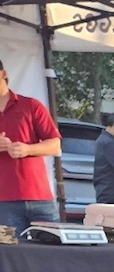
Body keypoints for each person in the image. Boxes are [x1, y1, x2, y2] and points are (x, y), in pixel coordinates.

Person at [0, 59, 61, 231]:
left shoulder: (31, 106)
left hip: (40, 196)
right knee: (9, 255)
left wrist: (28, 149)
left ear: (4, 74)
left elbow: (55, 145)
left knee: (53, 253)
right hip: (3, 200)